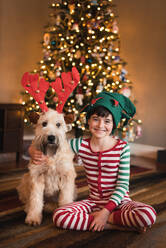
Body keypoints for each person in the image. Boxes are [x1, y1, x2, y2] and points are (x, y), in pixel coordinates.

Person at [29, 92, 156, 232]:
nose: (101, 125)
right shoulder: (79, 144)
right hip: (93, 203)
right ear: (88, 121)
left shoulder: (122, 148)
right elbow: (56, 144)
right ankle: (115, 225)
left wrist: (105, 212)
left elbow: (123, 185)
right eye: (95, 119)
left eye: (107, 121)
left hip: (119, 203)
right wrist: (31, 150)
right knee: (59, 216)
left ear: (114, 124)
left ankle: (105, 220)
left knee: (148, 214)